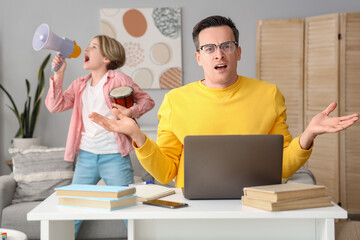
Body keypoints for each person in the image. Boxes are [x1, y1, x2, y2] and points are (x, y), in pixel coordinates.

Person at [89, 16, 359, 189]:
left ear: (238, 52)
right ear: (199, 57)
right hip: (195, 209)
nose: (219, 54)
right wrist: (136, 134)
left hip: (257, 203)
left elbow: (283, 165)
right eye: (209, 48)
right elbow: (166, 172)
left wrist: (308, 135)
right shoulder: (175, 101)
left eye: (227, 46)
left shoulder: (269, 94)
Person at [45, 35, 155, 237]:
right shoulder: (80, 84)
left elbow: (147, 101)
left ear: (106, 58)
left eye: (93, 47)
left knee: (128, 209)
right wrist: (59, 76)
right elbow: (55, 105)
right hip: (86, 156)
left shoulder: (118, 79)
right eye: (87, 45)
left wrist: (130, 112)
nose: (86, 49)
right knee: (73, 210)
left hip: (114, 156)